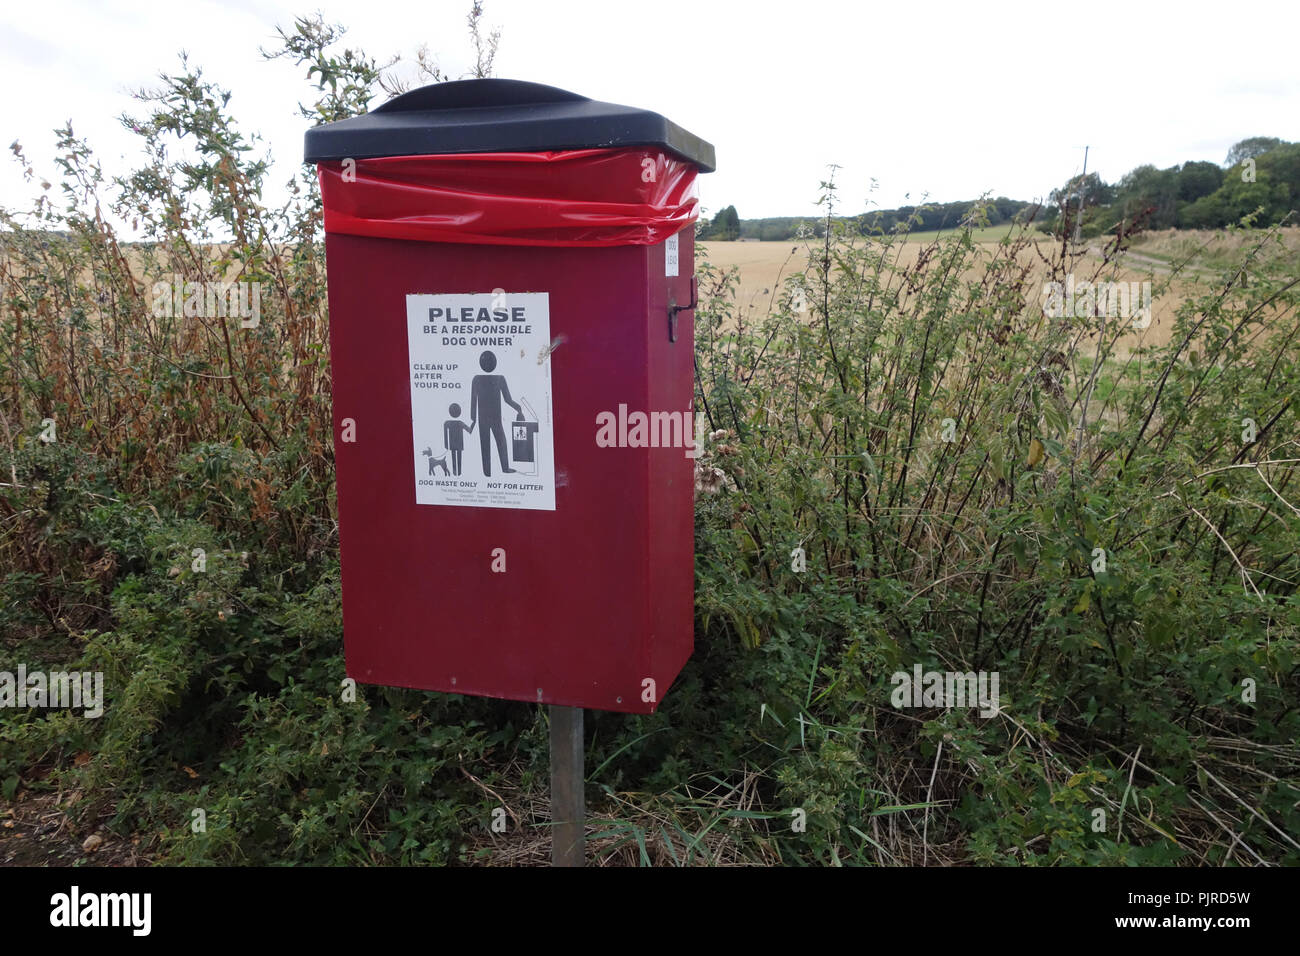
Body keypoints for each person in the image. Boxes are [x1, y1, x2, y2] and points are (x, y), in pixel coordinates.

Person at [470, 351, 521, 476]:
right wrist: (518, 408)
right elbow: (508, 400)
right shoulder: (499, 378)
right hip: (494, 417)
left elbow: (473, 401)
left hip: (484, 418)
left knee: (486, 444)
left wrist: (473, 420)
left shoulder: (477, 379)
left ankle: (488, 472)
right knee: (500, 441)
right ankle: (503, 469)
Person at [442, 403, 473, 476]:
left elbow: (445, 435)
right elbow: (470, 430)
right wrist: (473, 423)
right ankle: (458, 473)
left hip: (453, 444)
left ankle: (455, 472)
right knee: (458, 458)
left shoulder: (447, 423)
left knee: (454, 458)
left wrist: (446, 445)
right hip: (459, 444)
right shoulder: (460, 423)